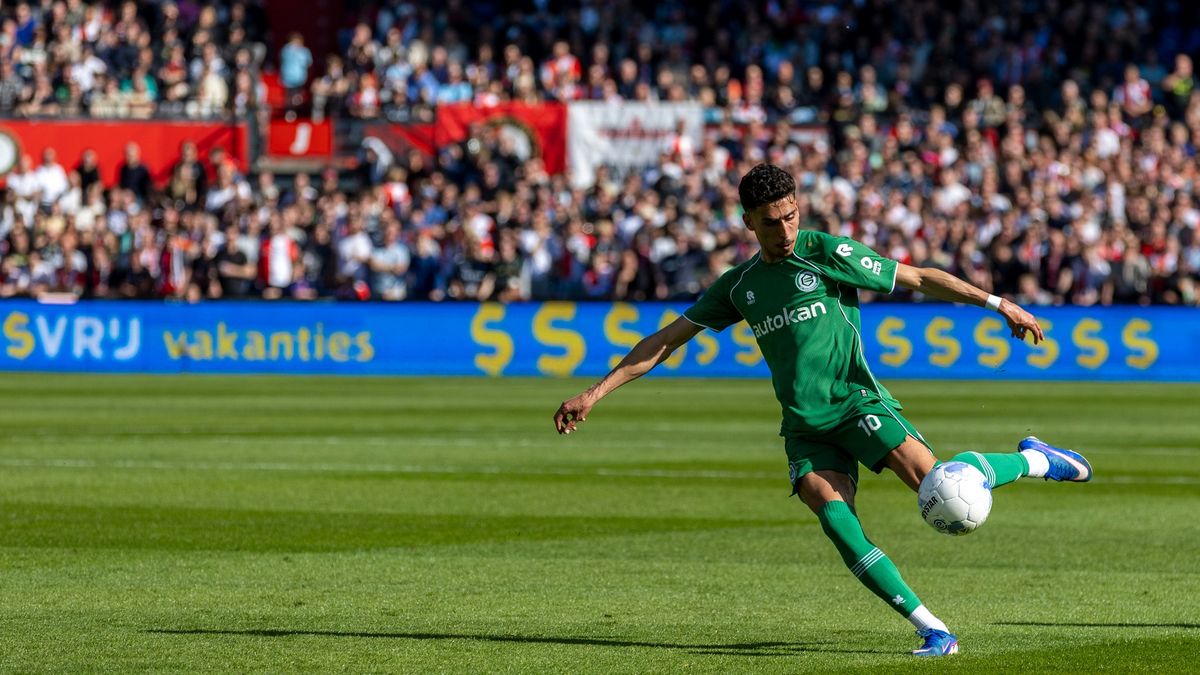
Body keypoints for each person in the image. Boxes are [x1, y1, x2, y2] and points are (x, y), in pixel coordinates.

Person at [553, 163, 1094, 658]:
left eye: (791, 216)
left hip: (859, 404)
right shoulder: (740, 287)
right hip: (805, 428)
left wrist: (1000, 305)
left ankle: (1037, 460)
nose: (785, 231)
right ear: (747, 222)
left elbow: (919, 277)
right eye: (771, 223)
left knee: (941, 485)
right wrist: (594, 394)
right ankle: (934, 630)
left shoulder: (827, 252)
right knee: (837, 522)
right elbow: (667, 339)